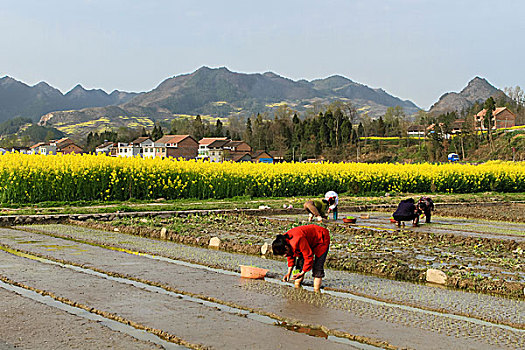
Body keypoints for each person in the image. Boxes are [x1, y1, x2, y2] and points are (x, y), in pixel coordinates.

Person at [272, 224, 330, 292]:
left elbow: (308, 256)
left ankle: (316, 291)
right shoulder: (283, 241)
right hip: (308, 240)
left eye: (284, 254)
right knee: (299, 265)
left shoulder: (298, 239)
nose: (284, 256)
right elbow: (290, 256)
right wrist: (289, 273)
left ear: (286, 247)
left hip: (320, 238)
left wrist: (302, 272)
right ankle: (297, 287)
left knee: (317, 267)